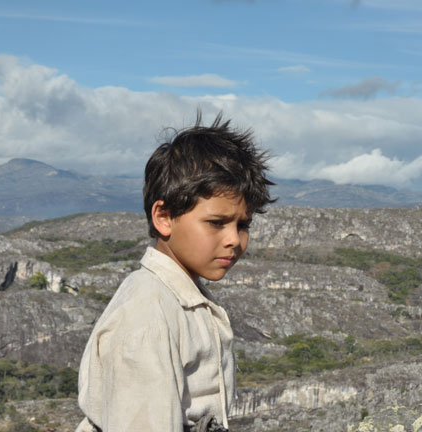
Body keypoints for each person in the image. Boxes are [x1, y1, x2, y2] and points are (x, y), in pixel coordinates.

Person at [76, 113, 275, 432]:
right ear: (164, 217)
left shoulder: (181, 298)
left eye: (243, 225)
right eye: (216, 223)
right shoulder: (148, 316)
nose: (234, 240)